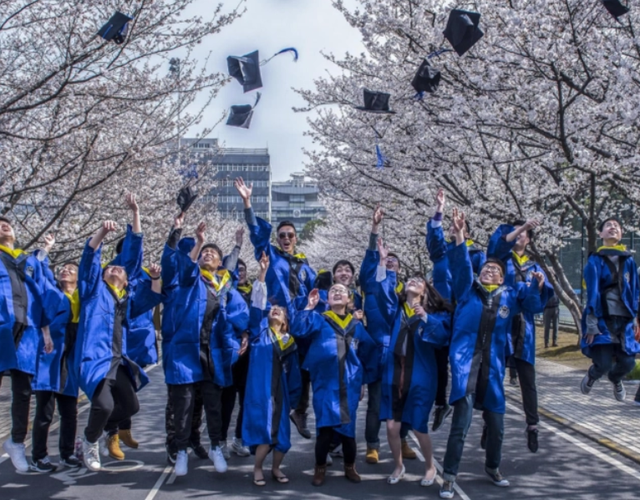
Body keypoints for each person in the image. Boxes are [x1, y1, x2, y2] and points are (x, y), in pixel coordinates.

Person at [439, 209, 546, 499]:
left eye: (497, 271)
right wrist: (460, 234)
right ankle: (448, 476)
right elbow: (461, 263)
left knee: (497, 427)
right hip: (466, 366)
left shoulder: (509, 297)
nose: (491, 271)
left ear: (502, 279)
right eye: (487, 268)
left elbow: (533, 305)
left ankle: (493, 467)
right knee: (461, 426)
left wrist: (536, 286)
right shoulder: (466, 291)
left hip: (494, 367)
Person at [160, 219, 248, 478]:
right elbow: (182, 265)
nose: (208, 254)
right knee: (184, 404)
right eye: (204, 253)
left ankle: (216, 446)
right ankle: (181, 451)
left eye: (213, 253)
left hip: (213, 351)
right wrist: (198, 241)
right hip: (186, 351)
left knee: (213, 403)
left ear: (220, 262)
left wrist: (243, 332)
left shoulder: (225, 287)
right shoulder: (189, 280)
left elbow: (240, 312)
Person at [76, 219, 162, 472]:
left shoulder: (126, 302)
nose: (115, 269)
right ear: (102, 276)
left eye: (120, 270)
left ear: (127, 282)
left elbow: (150, 297)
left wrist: (155, 277)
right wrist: (102, 231)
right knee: (104, 405)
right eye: (110, 268)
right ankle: (90, 440)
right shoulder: (93, 292)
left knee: (131, 406)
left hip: (119, 360)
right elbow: (89, 257)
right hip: (96, 360)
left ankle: (106, 432)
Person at [234, 177, 317, 440]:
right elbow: (258, 235)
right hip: (275, 322)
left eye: (290, 235)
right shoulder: (270, 254)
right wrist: (247, 202)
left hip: (298, 323)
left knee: (306, 367)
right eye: (281, 235)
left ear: (296, 237)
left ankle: (300, 410)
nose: (285, 238)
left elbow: (318, 294)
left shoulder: (306, 266)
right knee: (268, 373)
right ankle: (254, 431)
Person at [373, 237, 453, 486]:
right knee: (391, 427)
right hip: (394, 374)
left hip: (420, 377)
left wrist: (426, 318)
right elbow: (382, 292)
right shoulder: (396, 310)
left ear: (426, 293)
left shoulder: (435, 316)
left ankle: (430, 467)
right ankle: (398, 466)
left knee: (418, 427)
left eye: (419, 281)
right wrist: (384, 264)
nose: (413, 282)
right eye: (410, 280)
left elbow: (441, 339)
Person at [292, 284, 378, 487]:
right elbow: (297, 328)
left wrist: (363, 381)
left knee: (348, 431)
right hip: (326, 383)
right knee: (325, 429)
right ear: (327, 300)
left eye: (342, 291)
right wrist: (309, 307)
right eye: (332, 291)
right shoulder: (319, 319)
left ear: (349, 299)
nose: (337, 293)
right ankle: (320, 468)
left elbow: (368, 353)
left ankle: (350, 467)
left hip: (351, 383)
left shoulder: (356, 326)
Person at [488, 218, 553, 453]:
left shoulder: (535, 268)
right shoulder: (500, 261)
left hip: (523, 327)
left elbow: (540, 303)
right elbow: (497, 245)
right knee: (494, 376)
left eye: (524, 233)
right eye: (516, 232)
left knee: (528, 380)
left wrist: (540, 286)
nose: (520, 236)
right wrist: (523, 226)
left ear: (530, 240)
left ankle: (533, 426)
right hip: (501, 324)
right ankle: (490, 421)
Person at [359, 206, 416, 464]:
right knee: (374, 403)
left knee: (401, 401)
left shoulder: (407, 294)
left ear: (400, 269)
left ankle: (402, 440)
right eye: (386, 260)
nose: (389, 261)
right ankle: (373, 445)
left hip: (399, 356)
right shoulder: (371, 285)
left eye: (394, 261)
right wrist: (374, 231)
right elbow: (370, 260)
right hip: (375, 351)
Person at [426, 188, 485, 432]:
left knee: (460, 359)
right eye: (449, 227)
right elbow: (433, 238)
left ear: (467, 232)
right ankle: (441, 404)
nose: (452, 229)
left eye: (457, 227)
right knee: (438, 358)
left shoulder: (476, 255)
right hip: (441, 311)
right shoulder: (441, 253)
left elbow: (485, 282)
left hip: (464, 312)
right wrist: (439, 210)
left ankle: (472, 403)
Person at [0, 216, 53, 473]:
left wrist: (45, 331)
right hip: (2, 328)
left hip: (26, 332)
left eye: (6, 223)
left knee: (23, 393)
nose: (4, 226)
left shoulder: (26, 260)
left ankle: (16, 442)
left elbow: (41, 293)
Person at [243, 252, 301, 486]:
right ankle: (258, 468)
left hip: (281, 393)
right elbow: (258, 301)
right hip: (260, 392)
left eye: (280, 309)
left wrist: (295, 401)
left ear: (286, 320)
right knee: (264, 433)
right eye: (272, 308)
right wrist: (263, 272)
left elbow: (294, 372)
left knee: (283, 438)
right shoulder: (258, 333)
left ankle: (276, 468)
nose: (275, 309)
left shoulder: (289, 341)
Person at [30, 234, 82, 472]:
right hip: (50, 357)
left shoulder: (83, 297)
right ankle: (39, 456)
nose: (65, 271)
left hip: (70, 358)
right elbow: (39, 272)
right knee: (45, 412)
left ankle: (67, 453)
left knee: (69, 411)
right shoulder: (51, 291)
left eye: (71, 269)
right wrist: (46, 248)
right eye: (62, 268)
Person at [161, 214, 208, 465]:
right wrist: (176, 232)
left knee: (197, 399)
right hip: (178, 347)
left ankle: (193, 438)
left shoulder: (205, 282)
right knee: (177, 400)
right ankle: (174, 442)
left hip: (201, 346)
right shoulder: (177, 281)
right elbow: (178, 263)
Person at [580, 217, 640, 403]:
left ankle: (616, 379)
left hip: (624, 320)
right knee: (604, 363)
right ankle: (593, 375)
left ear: (622, 234)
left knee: (629, 362)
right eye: (608, 226)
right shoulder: (595, 260)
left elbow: (635, 290)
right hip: (603, 318)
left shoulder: (629, 260)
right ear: (601, 233)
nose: (613, 227)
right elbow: (592, 292)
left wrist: (636, 318)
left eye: (617, 226)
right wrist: (591, 322)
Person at [220, 231, 252, 459]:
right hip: (229, 352)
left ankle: (239, 439)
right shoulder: (224, 292)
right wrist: (236, 247)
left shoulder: (256, 292)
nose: (239, 272)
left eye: (243, 270)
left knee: (246, 400)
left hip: (250, 354)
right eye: (235, 270)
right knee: (226, 400)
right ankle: (220, 440)